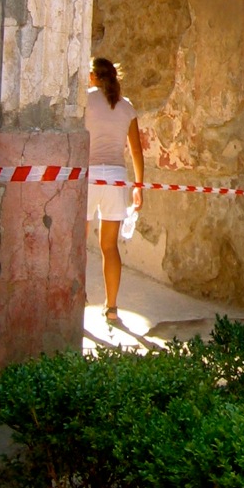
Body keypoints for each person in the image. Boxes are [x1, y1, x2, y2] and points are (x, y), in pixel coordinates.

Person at [86, 56, 144, 325]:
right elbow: (136, 151)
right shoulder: (126, 106)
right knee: (110, 246)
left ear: (94, 76)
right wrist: (139, 186)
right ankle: (111, 308)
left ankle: (78, 298)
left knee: (78, 245)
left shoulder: (85, 100)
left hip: (88, 176)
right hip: (116, 179)